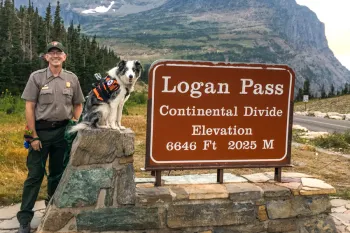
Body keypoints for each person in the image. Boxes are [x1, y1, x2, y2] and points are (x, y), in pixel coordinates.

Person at [17, 41, 85, 233]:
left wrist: (75, 125)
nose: (55, 55)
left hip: (62, 134)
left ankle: (52, 209)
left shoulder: (72, 78)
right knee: (34, 177)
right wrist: (34, 136)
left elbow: (78, 104)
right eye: (51, 53)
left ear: (64, 57)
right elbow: (29, 106)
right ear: (46, 57)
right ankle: (24, 219)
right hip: (41, 133)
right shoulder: (36, 78)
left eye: (59, 52)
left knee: (57, 175)